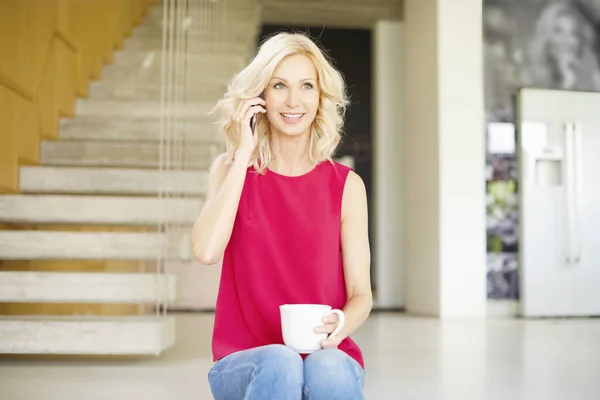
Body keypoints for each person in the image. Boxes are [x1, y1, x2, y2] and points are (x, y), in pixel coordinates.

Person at [190, 31, 372, 400]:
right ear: (261, 97)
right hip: (245, 362)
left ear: (320, 97)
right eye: (279, 86)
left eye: (306, 86)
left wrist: (339, 324)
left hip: (326, 356)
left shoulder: (347, 186)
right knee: (282, 361)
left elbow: (361, 294)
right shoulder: (229, 170)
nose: (293, 100)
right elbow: (207, 252)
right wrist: (243, 154)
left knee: (328, 365)